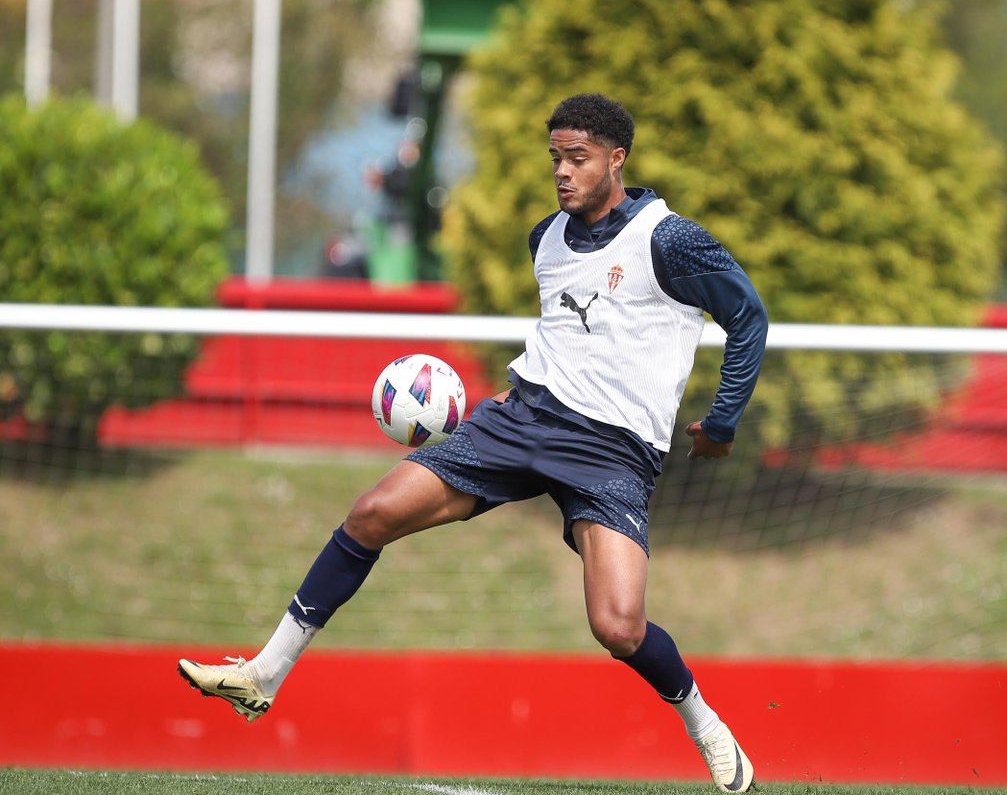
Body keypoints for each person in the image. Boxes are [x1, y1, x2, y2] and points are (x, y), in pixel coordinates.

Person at [178, 93, 768, 793]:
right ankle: (262, 674)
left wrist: (724, 422)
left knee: (617, 627)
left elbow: (749, 318)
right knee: (371, 514)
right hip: (521, 419)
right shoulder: (545, 238)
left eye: (578, 158)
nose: (563, 172)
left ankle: (705, 726)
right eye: (555, 158)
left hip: (612, 453)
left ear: (618, 158)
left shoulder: (671, 240)